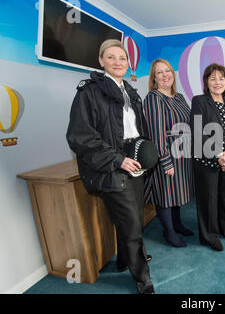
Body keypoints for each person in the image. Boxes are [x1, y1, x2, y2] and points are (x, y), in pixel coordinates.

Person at [66, 39, 155, 294]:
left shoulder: (130, 91)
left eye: (122, 58)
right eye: (111, 57)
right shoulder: (88, 92)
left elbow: (138, 129)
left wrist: (143, 154)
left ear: (128, 64)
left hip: (133, 161)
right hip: (112, 164)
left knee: (132, 217)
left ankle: (123, 259)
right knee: (131, 223)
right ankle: (143, 279)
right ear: (101, 61)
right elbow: (80, 137)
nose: (118, 62)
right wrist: (118, 160)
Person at [190, 63, 225, 251]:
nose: (217, 82)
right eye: (213, 78)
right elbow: (198, 133)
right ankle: (209, 235)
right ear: (206, 82)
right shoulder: (199, 101)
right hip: (207, 160)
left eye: (221, 78)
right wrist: (218, 156)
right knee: (209, 199)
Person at [143, 58, 194, 248]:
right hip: (167, 153)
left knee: (177, 192)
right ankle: (168, 232)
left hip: (182, 152)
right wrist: (166, 161)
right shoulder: (153, 98)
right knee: (166, 194)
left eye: (168, 71)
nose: (165, 75)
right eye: (160, 72)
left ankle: (177, 224)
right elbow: (156, 133)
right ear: (154, 78)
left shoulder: (179, 97)